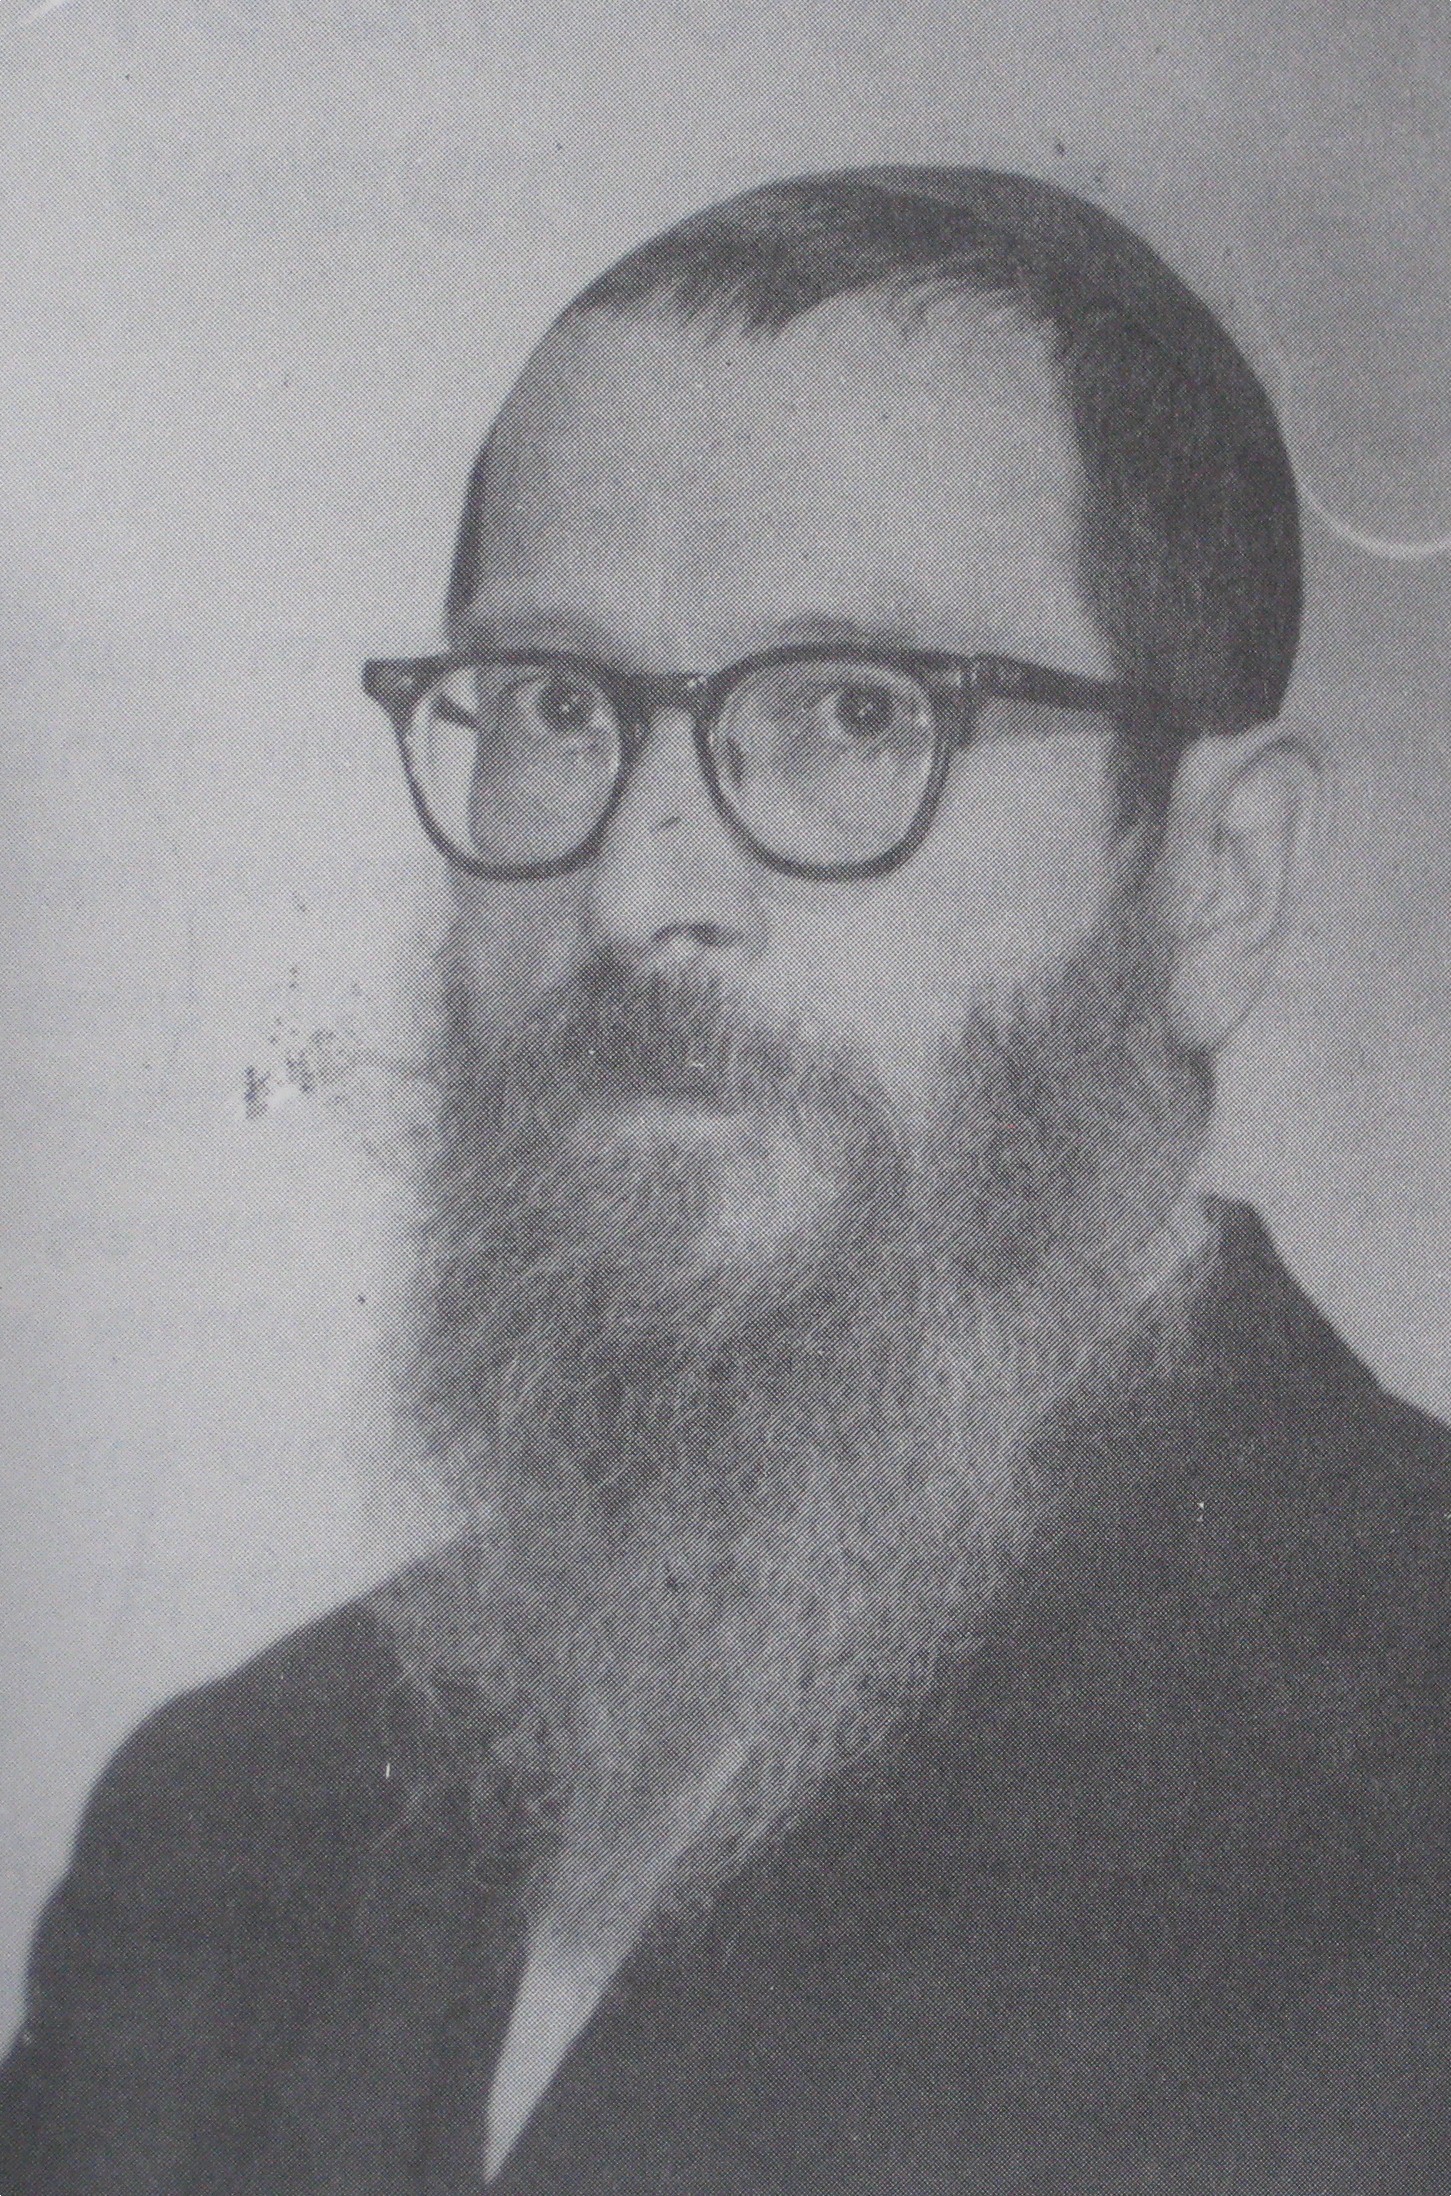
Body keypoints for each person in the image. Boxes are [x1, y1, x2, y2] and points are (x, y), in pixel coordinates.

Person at [2, 165, 1447, 2196]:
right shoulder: (231, 1822)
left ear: (1218, 878)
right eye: (554, 705)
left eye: (854, 712)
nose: (638, 890)